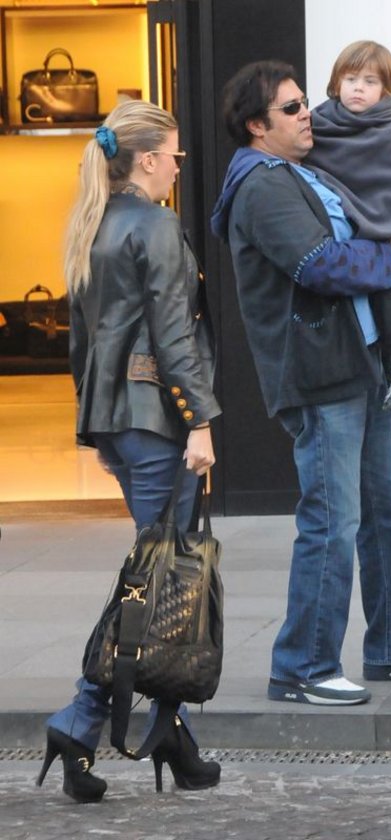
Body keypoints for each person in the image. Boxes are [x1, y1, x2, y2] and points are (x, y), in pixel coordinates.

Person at [211, 60, 391, 707]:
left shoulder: (301, 173)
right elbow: (321, 264)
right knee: (333, 521)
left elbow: (370, 226)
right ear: (257, 127)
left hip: (357, 364)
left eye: (304, 101)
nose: (306, 112)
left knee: (390, 508)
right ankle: (303, 665)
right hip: (319, 375)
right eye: (290, 108)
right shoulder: (261, 186)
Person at [36, 100, 222, 803]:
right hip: (158, 422)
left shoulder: (94, 222)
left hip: (119, 418)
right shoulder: (155, 224)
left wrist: (95, 427)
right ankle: (81, 721)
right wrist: (199, 420)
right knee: (152, 584)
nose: (178, 165)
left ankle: (171, 731)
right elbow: (174, 334)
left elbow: (81, 344)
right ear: (146, 159)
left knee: (164, 578)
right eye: (174, 155)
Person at [307, 40, 391, 416]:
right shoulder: (317, 124)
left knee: (379, 281)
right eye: (351, 79)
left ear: (387, 90)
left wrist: (389, 228)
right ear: (336, 82)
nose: (358, 88)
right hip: (339, 236)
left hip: (380, 231)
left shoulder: (389, 130)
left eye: (370, 81)